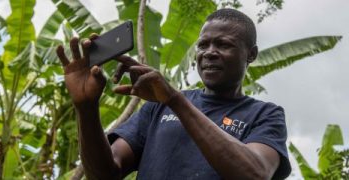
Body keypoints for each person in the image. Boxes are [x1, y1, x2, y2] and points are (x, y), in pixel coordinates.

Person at [56, 8, 291, 180]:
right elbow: (104, 174)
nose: (209, 53)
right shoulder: (157, 107)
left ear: (251, 54)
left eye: (224, 44)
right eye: (203, 45)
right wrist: (86, 108)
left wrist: (174, 99)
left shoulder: (265, 114)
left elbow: (255, 174)